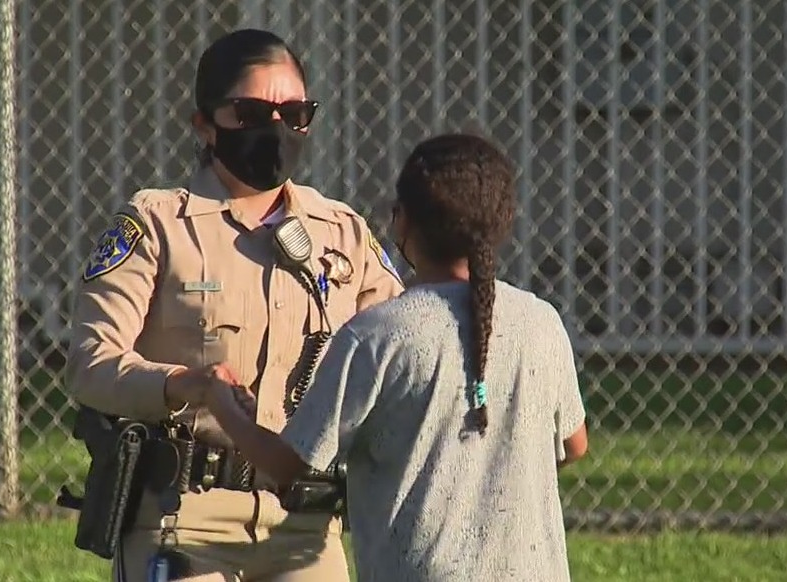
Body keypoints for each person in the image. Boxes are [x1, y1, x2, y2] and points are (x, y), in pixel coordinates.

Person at [65, 28, 405, 581]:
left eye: (294, 112)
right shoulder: (157, 225)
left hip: (303, 522)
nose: (275, 128)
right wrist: (185, 384)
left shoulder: (341, 231)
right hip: (181, 516)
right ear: (204, 124)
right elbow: (90, 364)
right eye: (248, 112)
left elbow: (406, 343)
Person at [202, 133, 590, 581]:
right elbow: (573, 444)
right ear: (502, 224)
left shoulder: (376, 337)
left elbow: (287, 465)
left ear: (403, 222)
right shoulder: (542, 322)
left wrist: (221, 402)